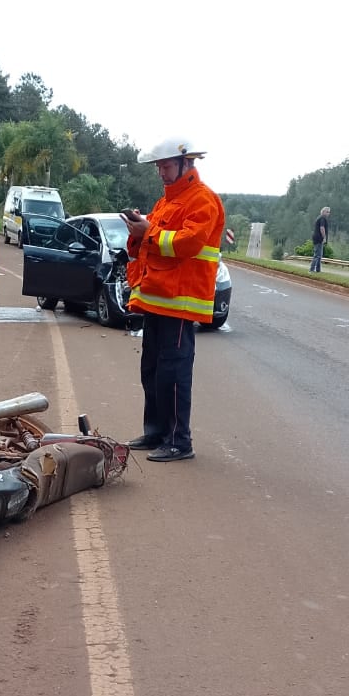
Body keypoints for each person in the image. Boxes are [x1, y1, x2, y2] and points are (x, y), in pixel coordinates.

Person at [120, 137, 225, 462]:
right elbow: (148, 245)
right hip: (156, 299)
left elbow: (188, 243)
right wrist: (137, 233)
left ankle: (180, 440)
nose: (161, 173)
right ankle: (156, 432)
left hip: (180, 303)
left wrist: (147, 232)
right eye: (159, 167)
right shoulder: (166, 202)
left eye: (165, 166)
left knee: (173, 374)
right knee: (151, 370)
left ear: (186, 163)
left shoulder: (203, 200)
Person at [310, 206, 330, 272]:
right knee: (317, 255)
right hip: (319, 238)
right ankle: (311, 270)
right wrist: (324, 237)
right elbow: (322, 228)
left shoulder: (320, 218)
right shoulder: (322, 218)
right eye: (327, 212)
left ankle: (318, 270)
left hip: (316, 238)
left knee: (319, 255)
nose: (328, 213)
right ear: (323, 212)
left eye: (329, 212)